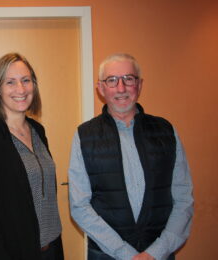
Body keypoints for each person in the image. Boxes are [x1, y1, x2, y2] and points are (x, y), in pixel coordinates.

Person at [69, 53, 194, 260]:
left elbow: (183, 198)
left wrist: (156, 252)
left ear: (140, 84)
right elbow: (79, 205)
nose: (121, 88)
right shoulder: (84, 135)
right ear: (100, 88)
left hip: (160, 254)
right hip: (106, 254)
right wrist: (125, 253)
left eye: (128, 79)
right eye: (112, 80)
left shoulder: (166, 131)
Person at [0, 53, 64, 260]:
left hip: (51, 249)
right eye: (10, 82)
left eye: (26, 80)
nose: (21, 89)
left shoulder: (38, 131)